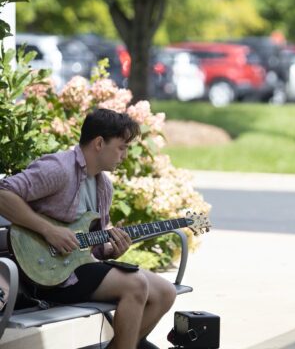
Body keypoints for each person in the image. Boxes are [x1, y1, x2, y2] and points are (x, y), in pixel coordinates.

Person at [0, 108, 176, 349]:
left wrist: (112, 251)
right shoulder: (59, 169)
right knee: (135, 285)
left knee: (165, 293)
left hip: (77, 267)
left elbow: (91, 248)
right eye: (121, 147)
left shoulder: (104, 186)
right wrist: (48, 231)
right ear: (99, 143)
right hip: (44, 274)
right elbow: (3, 194)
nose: (124, 155)